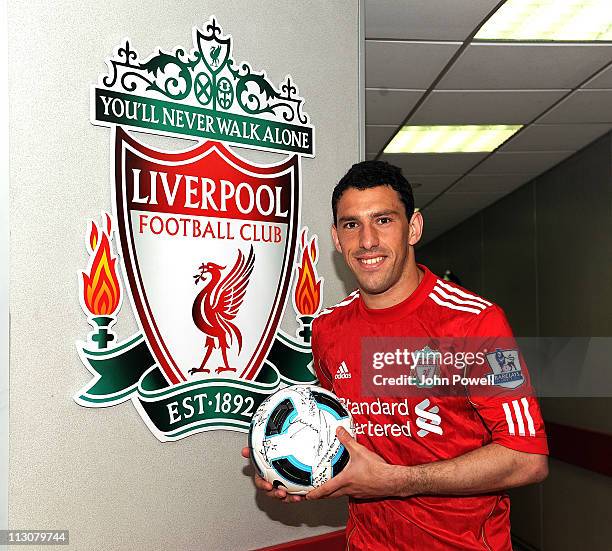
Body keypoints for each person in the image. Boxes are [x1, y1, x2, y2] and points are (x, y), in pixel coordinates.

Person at [242, 161, 548, 550]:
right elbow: (341, 433)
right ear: (337, 238)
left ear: (413, 227)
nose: (367, 240)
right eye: (352, 224)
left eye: (383, 220)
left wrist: (399, 481)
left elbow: (527, 458)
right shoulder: (328, 329)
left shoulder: (473, 324)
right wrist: (287, 463)